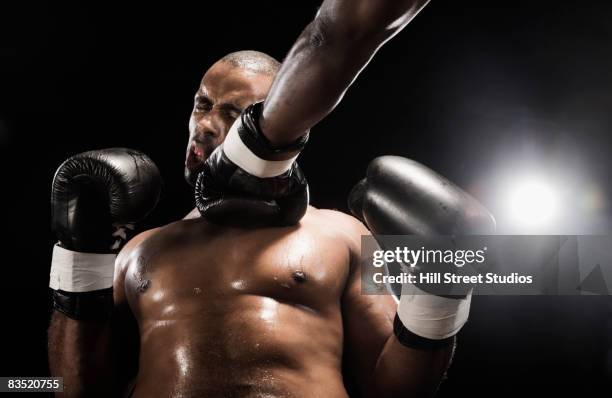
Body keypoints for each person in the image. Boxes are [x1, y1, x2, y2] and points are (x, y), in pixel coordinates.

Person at [48, 0, 494, 396]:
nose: (204, 125)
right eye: (202, 105)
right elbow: (76, 388)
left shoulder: (342, 235)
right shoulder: (140, 250)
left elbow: (395, 387)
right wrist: (78, 255)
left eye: (232, 113)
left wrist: (438, 294)